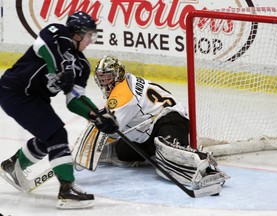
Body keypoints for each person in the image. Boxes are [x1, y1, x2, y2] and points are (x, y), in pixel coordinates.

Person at [0, 12, 118, 209]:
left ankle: (13, 165)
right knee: (56, 134)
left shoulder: (82, 65)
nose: (90, 41)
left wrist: (97, 116)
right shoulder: (58, 33)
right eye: (89, 35)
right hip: (14, 91)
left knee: (50, 133)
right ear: (77, 34)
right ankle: (67, 189)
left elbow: (75, 100)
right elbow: (44, 48)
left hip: (36, 99)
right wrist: (60, 71)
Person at [73, 55, 229, 194]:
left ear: (117, 75)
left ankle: (207, 169)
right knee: (122, 152)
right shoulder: (125, 83)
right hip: (148, 131)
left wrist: (87, 145)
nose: (105, 82)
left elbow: (112, 128)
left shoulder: (123, 94)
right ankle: (158, 152)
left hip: (170, 120)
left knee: (166, 151)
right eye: (102, 79)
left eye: (108, 78)